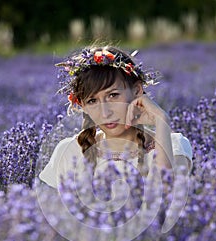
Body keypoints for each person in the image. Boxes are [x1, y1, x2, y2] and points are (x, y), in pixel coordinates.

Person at [39, 45, 192, 189]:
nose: (105, 113)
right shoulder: (69, 151)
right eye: (92, 101)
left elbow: (165, 200)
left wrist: (161, 121)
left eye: (113, 95)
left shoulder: (173, 145)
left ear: (137, 90)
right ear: (82, 105)